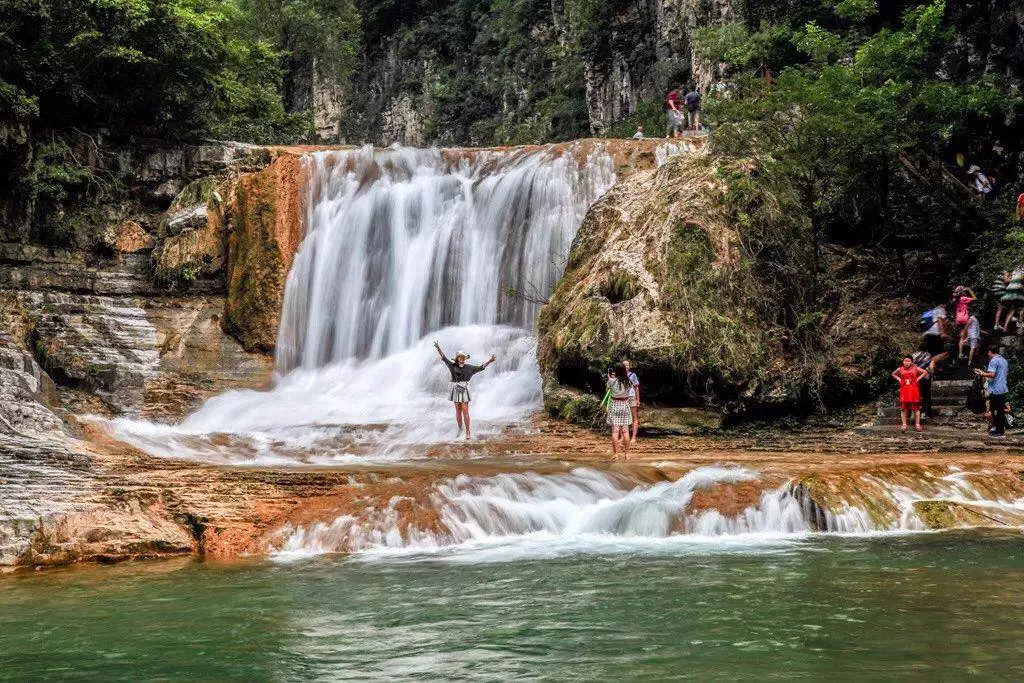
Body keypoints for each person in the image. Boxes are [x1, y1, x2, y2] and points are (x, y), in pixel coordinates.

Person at [433, 341, 496, 440]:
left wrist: (490, 361)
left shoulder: (469, 368)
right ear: (457, 358)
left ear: (464, 358)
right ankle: (460, 429)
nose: (461, 359)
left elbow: (481, 367)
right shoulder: (452, 366)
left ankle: (467, 431)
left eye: (463, 357)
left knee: (465, 410)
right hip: (455, 388)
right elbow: (444, 358)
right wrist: (438, 348)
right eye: (460, 357)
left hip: (464, 389)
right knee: (458, 411)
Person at [977, 347, 1009, 438]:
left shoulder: (994, 361)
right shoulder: (1004, 360)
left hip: (996, 389)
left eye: (988, 353)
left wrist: (982, 373)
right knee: (1000, 411)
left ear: (990, 352)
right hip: (1002, 388)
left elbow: (992, 374)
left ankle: (999, 432)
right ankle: (999, 430)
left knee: (995, 411)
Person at [892, 357, 928, 433]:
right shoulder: (900, 369)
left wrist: (918, 378)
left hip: (914, 389)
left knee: (916, 408)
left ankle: (917, 424)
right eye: (905, 361)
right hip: (904, 389)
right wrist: (899, 379)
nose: (906, 362)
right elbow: (893, 374)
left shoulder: (916, 368)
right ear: (903, 362)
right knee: (903, 408)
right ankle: (904, 424)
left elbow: (925, 372)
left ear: (911, 362)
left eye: (908, 361)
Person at [606, 363, 633, 459]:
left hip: (614, 405)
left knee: (615, 431)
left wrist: (610, 378)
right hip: (625, 405)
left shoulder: (611, 381)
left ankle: (616, 454)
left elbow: (608, 390)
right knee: (625, 431)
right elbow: (629, 392)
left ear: (616, 371)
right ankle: (627, 454)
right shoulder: (628, 381)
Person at [921, 302, 949, 371]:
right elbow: (940, 319)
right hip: (935, 334)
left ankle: (934, 369)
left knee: (934, 353)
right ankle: (930, 364)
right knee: (945, 353)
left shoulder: (933, 311)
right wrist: (943, 333)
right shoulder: (941, 309)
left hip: (927, 334)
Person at [997, 267, 1024, 332]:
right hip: (1016, 292)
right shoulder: (1019, 272)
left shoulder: (1014, 270)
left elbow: (1006, 281)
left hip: (1008, 292)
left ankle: (1004, 328)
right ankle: (1018, 323)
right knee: (1016, 309)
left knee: (1010, 310)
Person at [912, 347, 934, 418]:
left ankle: (914, 413)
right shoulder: (928, 355)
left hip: (915, 378)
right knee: (926, 396)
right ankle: (925, 413)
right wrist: (931, 373)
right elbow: (931, 368)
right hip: (925, 378)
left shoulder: (913, 355)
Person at [623, 359, 640, 445]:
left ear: (629, 366)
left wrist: (638, 400)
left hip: (632, 397)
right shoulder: (619, 376)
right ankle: (623, 437)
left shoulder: (633, 375)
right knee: (623, 419)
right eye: (624, 365)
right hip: (623, 398)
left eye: (627, 365)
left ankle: (633, 438)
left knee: (634, 418)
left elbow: (636, 388)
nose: (626, 366)